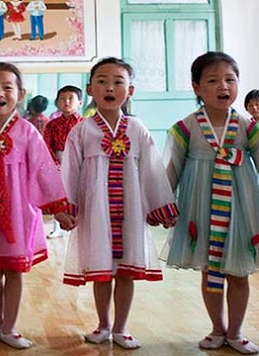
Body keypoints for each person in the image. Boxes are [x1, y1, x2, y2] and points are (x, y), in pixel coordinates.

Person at [61, 57, 178, 349]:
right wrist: (68, 207)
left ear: (131, 90)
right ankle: (103, 324)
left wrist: (160, 206)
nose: (109, 87)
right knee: (102, 271)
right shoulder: (82, 130)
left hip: (130, 211)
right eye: (102, 81)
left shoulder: (137, 129)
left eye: (117, 81)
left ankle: (121, 327)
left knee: (126, 271)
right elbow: (70, 169)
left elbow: (152, 168)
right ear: (90, 88)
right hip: (96, 211)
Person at [0, 62, 74, 349]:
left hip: (19, 212)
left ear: (20, 94)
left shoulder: (27, 132)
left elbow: (43, 170)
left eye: (7, 87)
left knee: (13, 270)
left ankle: (10, 327)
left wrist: (58, 207)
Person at [162, 52, 259, 354]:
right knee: (210, 270)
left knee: (239, 271)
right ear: (196, 87)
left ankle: (236, 331)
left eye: (230, 79)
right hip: (200, 205)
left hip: (242, 206)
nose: (223, 86)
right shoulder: (186, 127)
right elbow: (172, 168)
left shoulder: (248, 126)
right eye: (213, 80)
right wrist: (164, 204)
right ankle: (217, 328)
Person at [43, 85, 83, 239]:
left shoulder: (84, 124)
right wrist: (55, 164)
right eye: (62, 99)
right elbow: (46, 145)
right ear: (57, 102)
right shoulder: (52, 124)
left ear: (79, 102)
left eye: (71, 98)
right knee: (59, 195)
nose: (66, 102)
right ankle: (57, 227)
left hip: (79, 161)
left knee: (79, 193)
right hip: (59, 159)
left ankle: (79, 225)